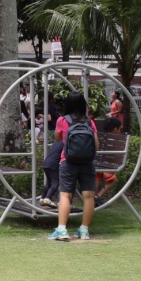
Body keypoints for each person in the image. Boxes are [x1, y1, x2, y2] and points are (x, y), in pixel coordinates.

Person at [49, 92, 99, 241]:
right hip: (87, 163)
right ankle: (84, 231)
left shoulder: (63, 120)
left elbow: (57, 138)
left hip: (68, 162)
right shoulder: (89, 122)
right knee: (89, 196)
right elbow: (96, 144)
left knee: (65, 195)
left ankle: (62, 230)